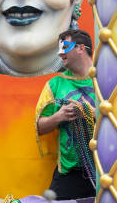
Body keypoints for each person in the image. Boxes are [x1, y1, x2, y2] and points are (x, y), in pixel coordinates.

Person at [35, 29, 96, 200]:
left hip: (106, 169)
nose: (60, 53)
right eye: (59, 48)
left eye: (65, 47)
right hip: (70, 172)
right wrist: (59, 116)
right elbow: (39, 127)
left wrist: (94, 112)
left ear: (80, 48)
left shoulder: (106, 78)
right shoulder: (55, 85)